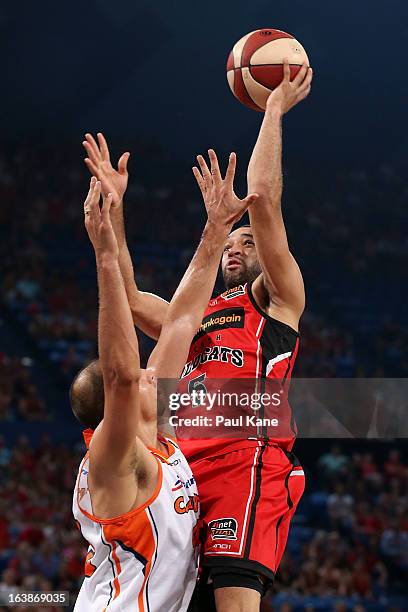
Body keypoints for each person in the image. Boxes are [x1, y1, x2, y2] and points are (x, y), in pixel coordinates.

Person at [82, 60, 312, 611]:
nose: (236, 247)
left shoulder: (276, 299)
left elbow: (263, 200)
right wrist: (112, 214)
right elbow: (130, 299)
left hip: (241, 463)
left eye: (247, 244)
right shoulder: (196, 315)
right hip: (178, 473)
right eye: (228, 244)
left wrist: (272, 107)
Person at [71, 154, 257, 610]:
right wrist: (106, 257)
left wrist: (216, 230)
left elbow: (182, 321)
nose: (155, 374)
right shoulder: (113, 459)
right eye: (143, 378)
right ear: (121, 407)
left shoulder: (159, 438)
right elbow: (118, 374)